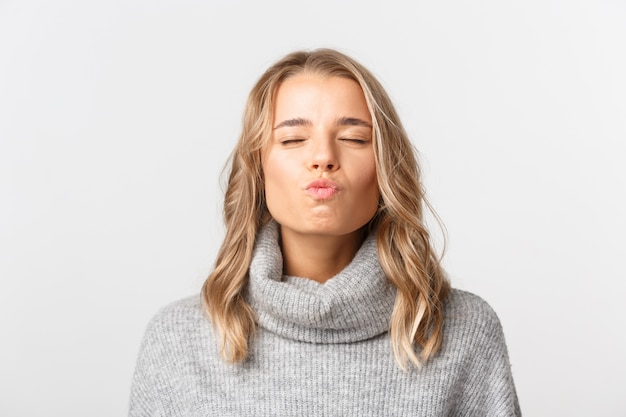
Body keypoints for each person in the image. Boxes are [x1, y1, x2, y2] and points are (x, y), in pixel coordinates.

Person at [128, 48, 521, 416]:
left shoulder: (465, 330)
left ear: (386, 168)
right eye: (293, 139)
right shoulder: (178, 342)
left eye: (353, 138)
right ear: (258, 169)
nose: (323, 158)